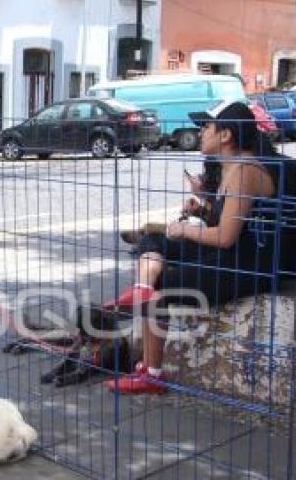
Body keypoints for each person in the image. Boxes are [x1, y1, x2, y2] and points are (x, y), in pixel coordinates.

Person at [107, 100, 278, 394]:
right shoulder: (232, 169)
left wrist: (184, 228)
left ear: (225, 136)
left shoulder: (245, 170)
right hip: (225, 255)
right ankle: (142, 291)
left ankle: (152, 374)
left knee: (164, 285)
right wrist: (201, 210)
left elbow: (226, 236)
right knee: (155, 240)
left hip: (240, 266)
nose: (201, 133)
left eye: (207, 127)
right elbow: (226, 221)